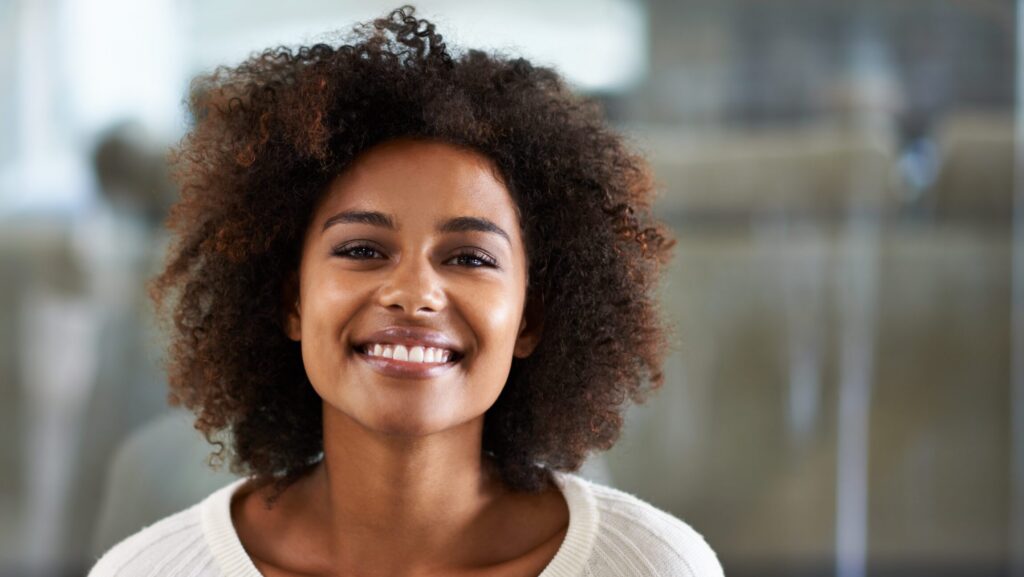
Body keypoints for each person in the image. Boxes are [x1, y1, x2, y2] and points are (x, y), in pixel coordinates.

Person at [88, 6, 724, 576]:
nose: (415, 294)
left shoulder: (652, 566)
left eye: (469, 257)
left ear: (529, 319)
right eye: (363, 250)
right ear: (292, 302)